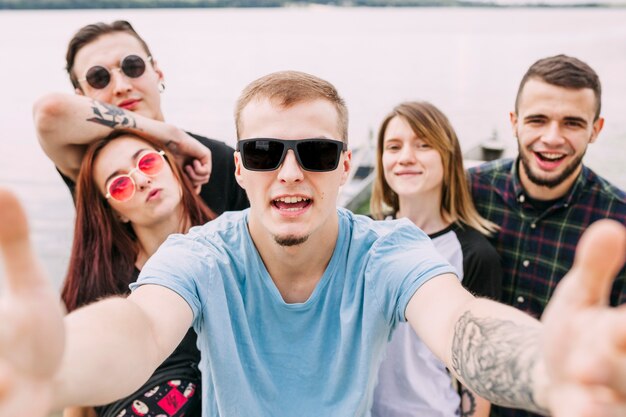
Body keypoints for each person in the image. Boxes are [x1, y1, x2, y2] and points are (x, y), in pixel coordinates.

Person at [1, 71, 626, 417]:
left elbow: (460, 325)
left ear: (346, 164)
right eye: (268, 153)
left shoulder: (388, 250)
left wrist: (543, 366)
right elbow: (138, 332)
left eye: (318, 153)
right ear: (239, 168)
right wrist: (54, 364)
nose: (292, 172)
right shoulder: (202, 254)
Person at [467, 55, 626, 417]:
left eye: (572, 123)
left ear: (596, 130)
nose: (552, 138)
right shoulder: (469, 191)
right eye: (538, 120)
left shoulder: (619, 223)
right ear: (514, 122)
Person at [60, 131, 215, 417]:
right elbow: (79, 405)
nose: (142, 180)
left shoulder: (239, 248)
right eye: (120, 184)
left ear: (173, 168)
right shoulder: (101, 288)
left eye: (147, 163)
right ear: (116, 212)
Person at [33, 20, 248, 214]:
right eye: (99, 78)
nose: (122, 87)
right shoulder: (86, 163)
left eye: (132, 66)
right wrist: (170, 136)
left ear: (158, 73)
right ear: (81, 98)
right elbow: (49, 112)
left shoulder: (217, 159)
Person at [369, 101, 502, 417]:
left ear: (448, 156)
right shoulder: (366, 238)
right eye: (394, 147)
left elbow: (477, 375)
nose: (406, 158)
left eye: (423, 145)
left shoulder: (474, 254)